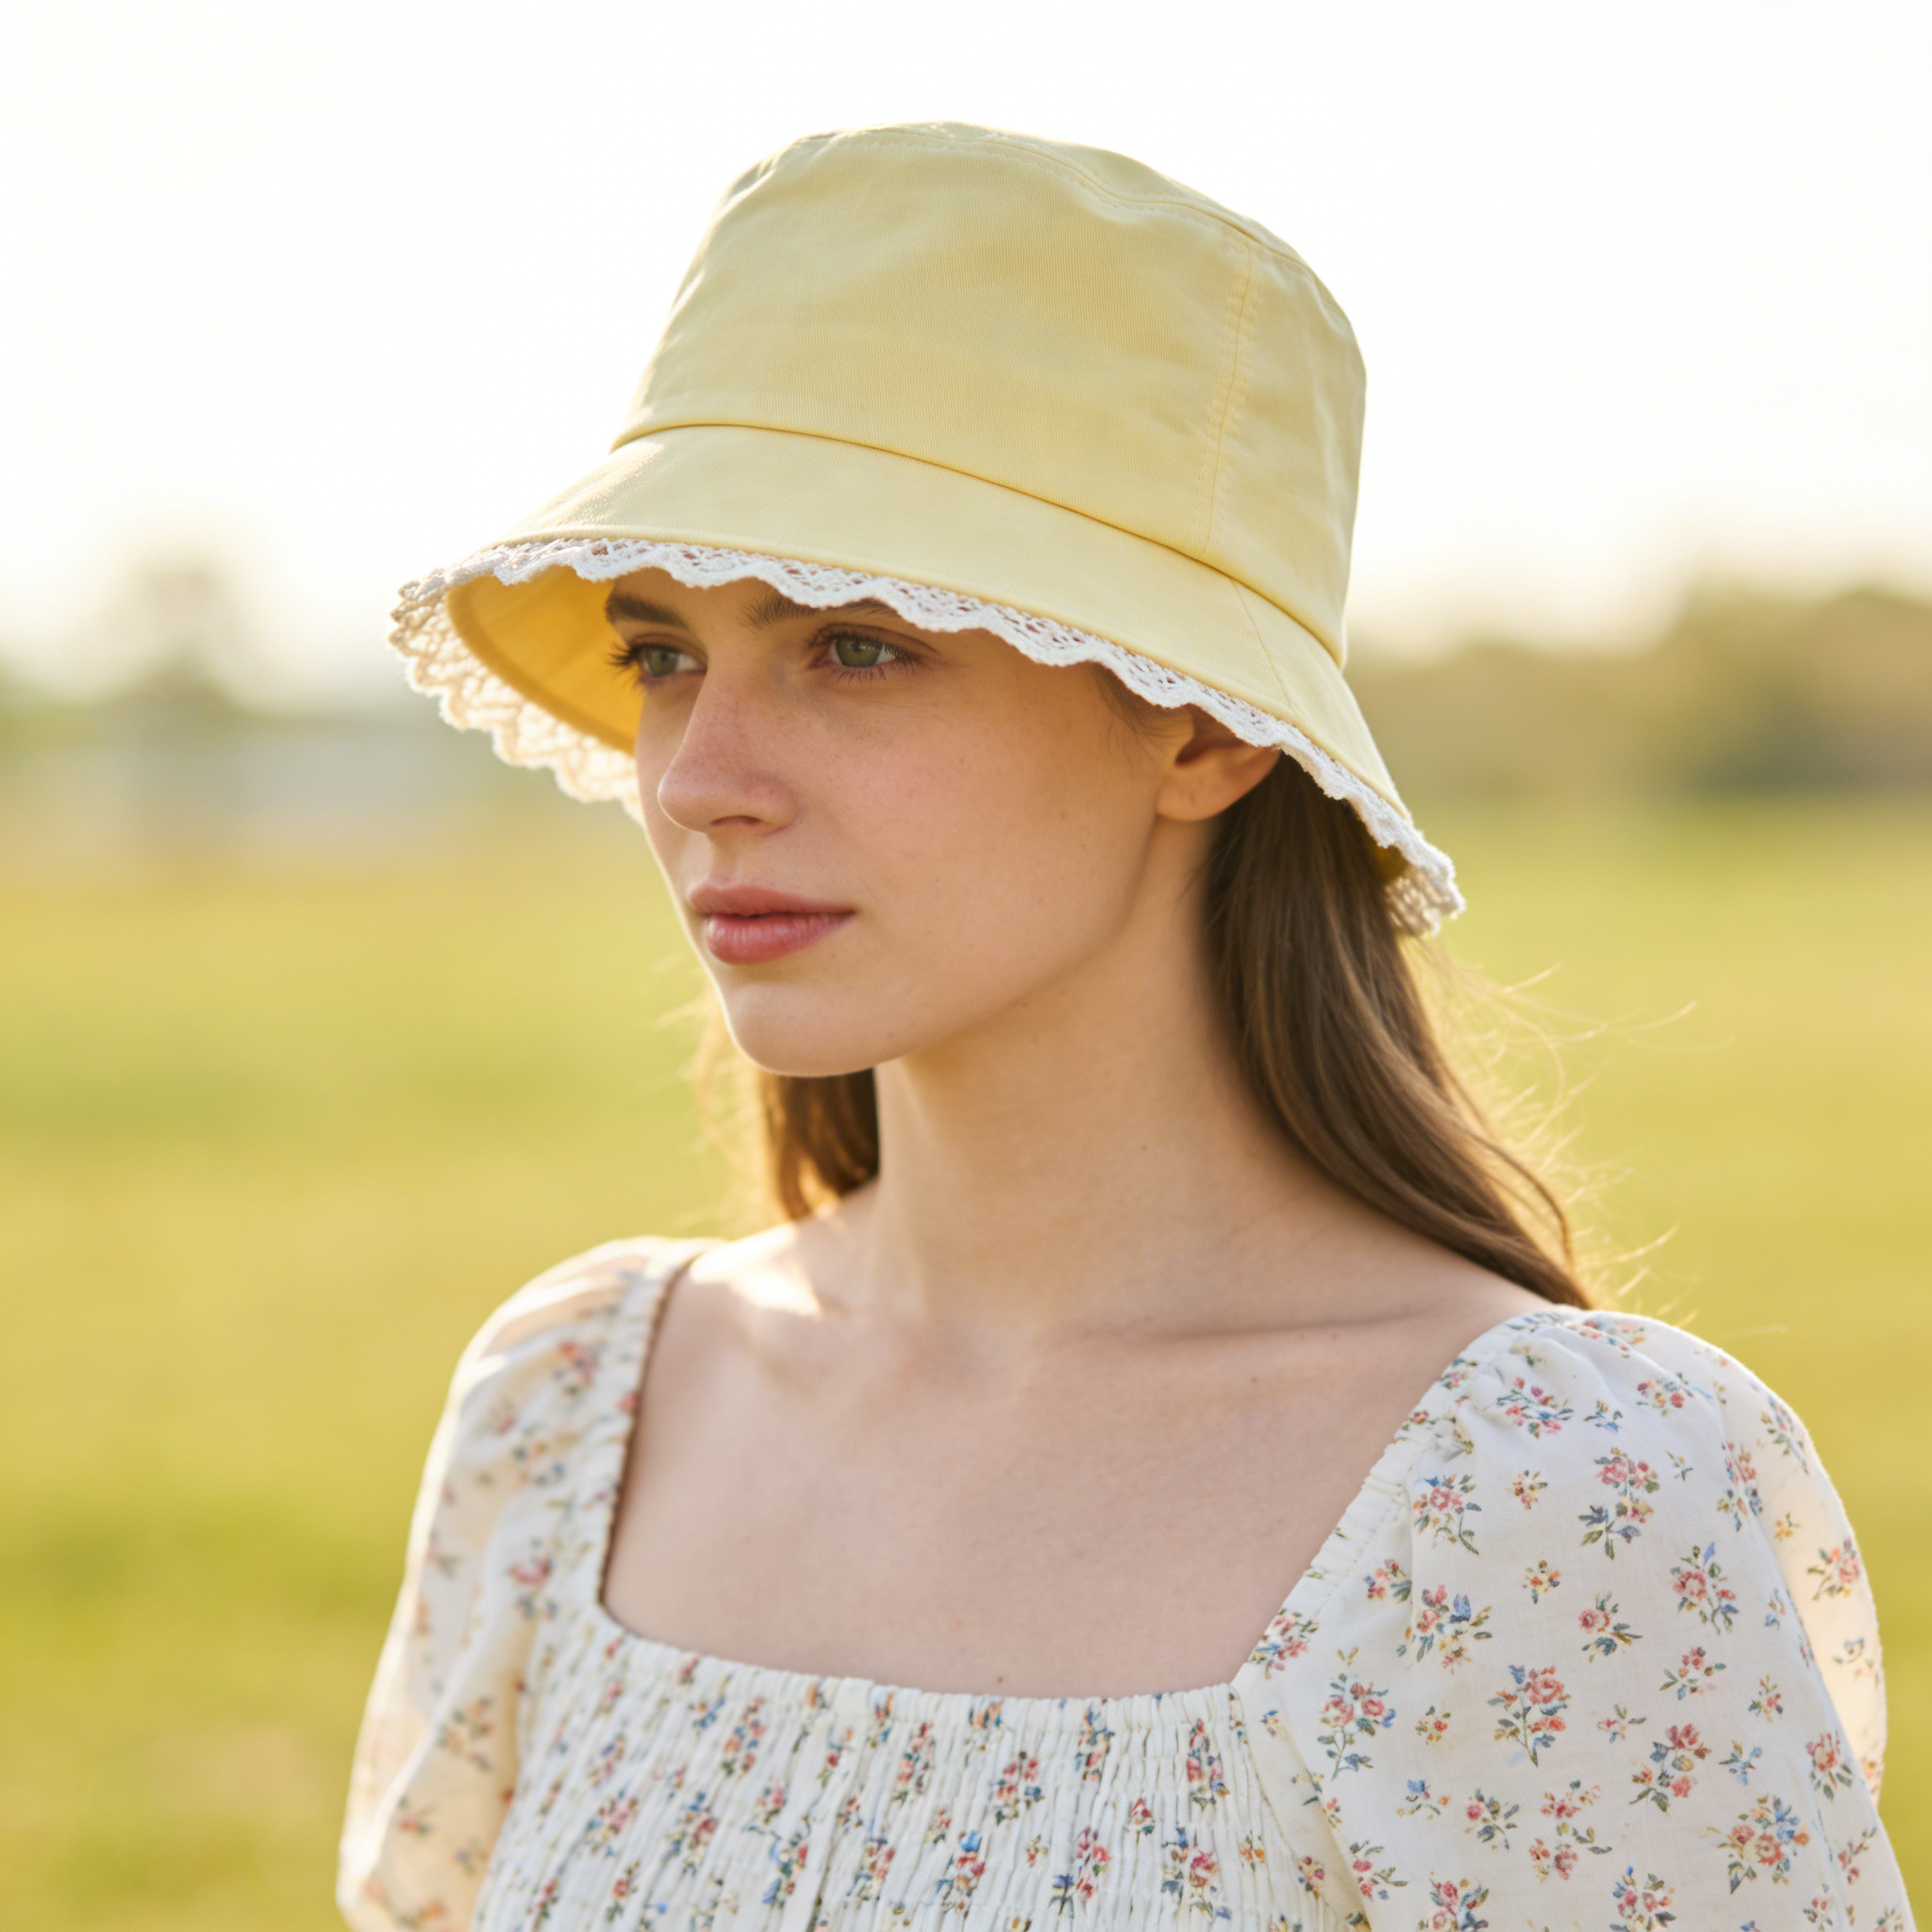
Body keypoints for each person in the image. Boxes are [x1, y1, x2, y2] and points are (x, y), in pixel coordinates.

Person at [337, 124, 1909, 1930]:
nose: (698, 780)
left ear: (1200, 732)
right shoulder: (571, 1416)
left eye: (856, 643)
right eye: (660, 651)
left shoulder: (1546, 1500)